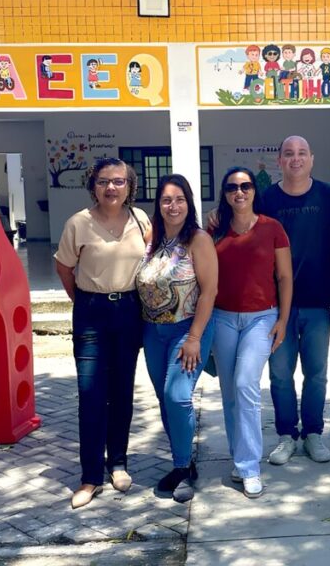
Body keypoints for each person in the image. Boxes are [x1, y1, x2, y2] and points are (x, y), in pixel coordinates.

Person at [55, 158, 151, 509]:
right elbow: (64, 267)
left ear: (130, 185)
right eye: (103, 181)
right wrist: (85, 300)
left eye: (119, 181)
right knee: (91, 394)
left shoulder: (141, 220)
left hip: (130, 311)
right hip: (91, 313)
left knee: (122, 391)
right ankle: (91, 475)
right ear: (93, 185)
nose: (111, 187)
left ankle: (119, 463)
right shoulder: (78, 223)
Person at [261, 135, 330, 465]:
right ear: (279, 161)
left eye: (301, 153)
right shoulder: (266, 200)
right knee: (280, 375)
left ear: (311, 159)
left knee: (317, 373)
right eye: (288, 153)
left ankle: (313, 433)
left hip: (318, 302)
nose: (295, 159)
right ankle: (287, 435)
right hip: (277, 307)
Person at [211, 167, 293, 498]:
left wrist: (283, 320)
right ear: (225, 193)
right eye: (232, 187)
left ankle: (249, 466)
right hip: (222, 318)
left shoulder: (272, 228)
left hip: (261, 318)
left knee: (246, 384)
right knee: (230, 392)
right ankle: (240, 457)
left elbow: (284, 277)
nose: (239, 192)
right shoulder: (215, 229)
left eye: (245, 186)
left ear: (254, 191)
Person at [136, 174, 217, 503]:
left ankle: (182, 468)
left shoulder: (198, 240)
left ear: (189, 203)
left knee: (178, 395)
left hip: (188, 329)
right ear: (158, 204)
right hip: (153, 332)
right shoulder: (151, 238)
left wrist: (195, 337)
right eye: (167, 200)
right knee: (164, 398)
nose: (173, 206)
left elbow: (209, 292)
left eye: (180, 199)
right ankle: (182, 458)